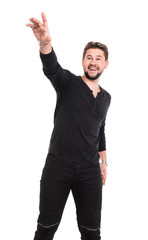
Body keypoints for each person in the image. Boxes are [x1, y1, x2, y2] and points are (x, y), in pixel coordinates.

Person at [26, 12, 111, 240]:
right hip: (58, 166)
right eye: (89, 58)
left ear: (106, 64)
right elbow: (51, 67)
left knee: (92, 232)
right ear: (83, 61)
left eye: (98, 58)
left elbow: (100, 129)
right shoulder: (68, 83)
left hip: (89, 171)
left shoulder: (106, 98)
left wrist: (103, 161)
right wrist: (45, 42)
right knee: (46, 228)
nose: (93, 62)